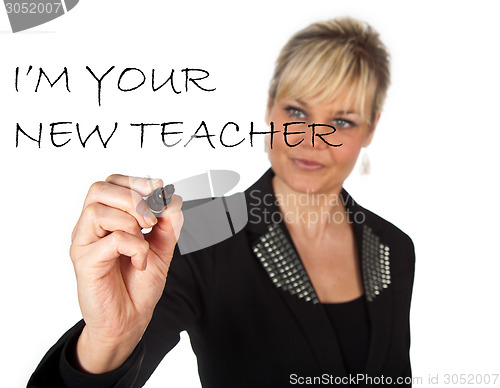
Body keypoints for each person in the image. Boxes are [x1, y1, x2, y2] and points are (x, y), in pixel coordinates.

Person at [28, 17, 415, 387]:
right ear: (269, 109)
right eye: (297, 111)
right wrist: (109, 340)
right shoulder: (202, 228)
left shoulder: (394, 248)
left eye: (342, 121)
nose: (309, 138)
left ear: (371, 128)